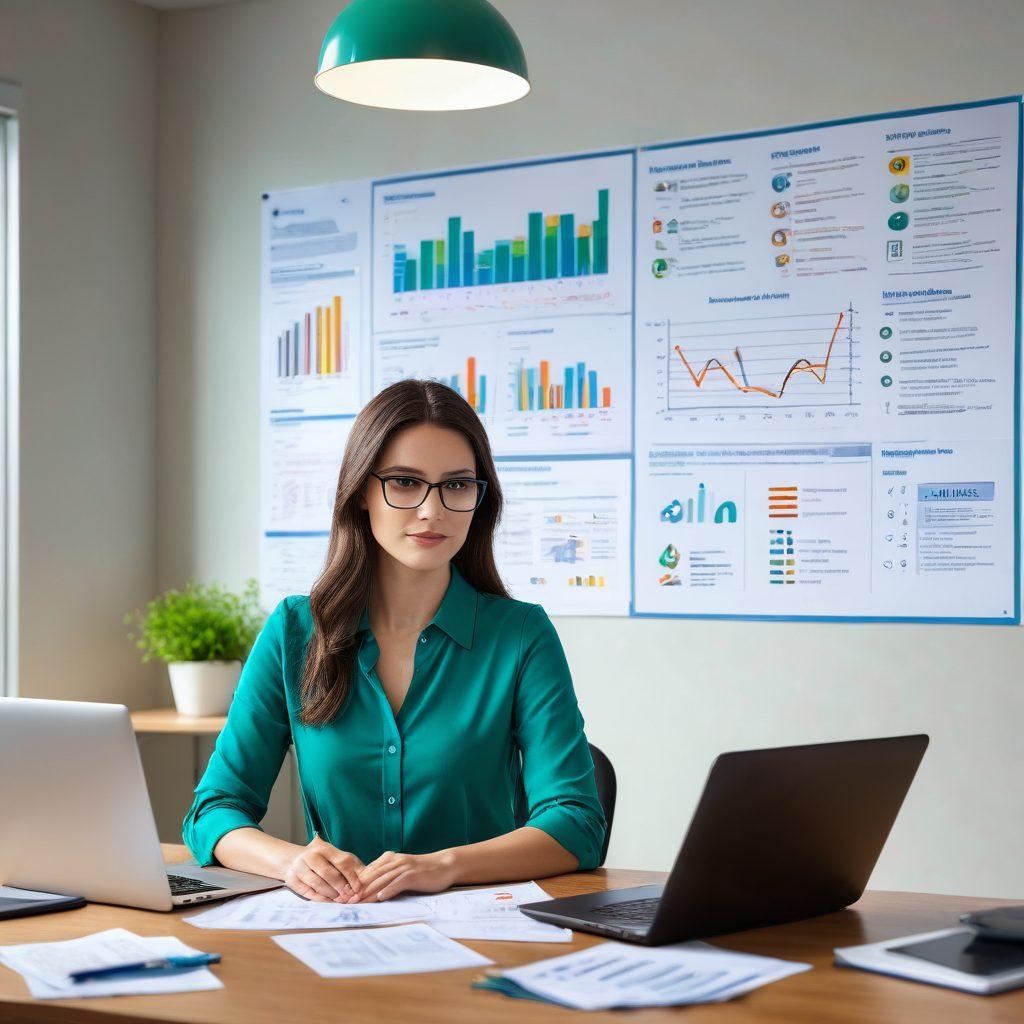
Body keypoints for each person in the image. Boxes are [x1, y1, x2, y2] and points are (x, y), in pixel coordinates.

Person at [182, 379, 606, 903]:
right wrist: (291, 862)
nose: (433, 511)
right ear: (361, 490)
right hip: (333, 931)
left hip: (484, 934)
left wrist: (443, 866)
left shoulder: (520, 635)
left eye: (456, 485)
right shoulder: (295, 630)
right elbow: (215, 810)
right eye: (405, 482)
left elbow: (577, 823)